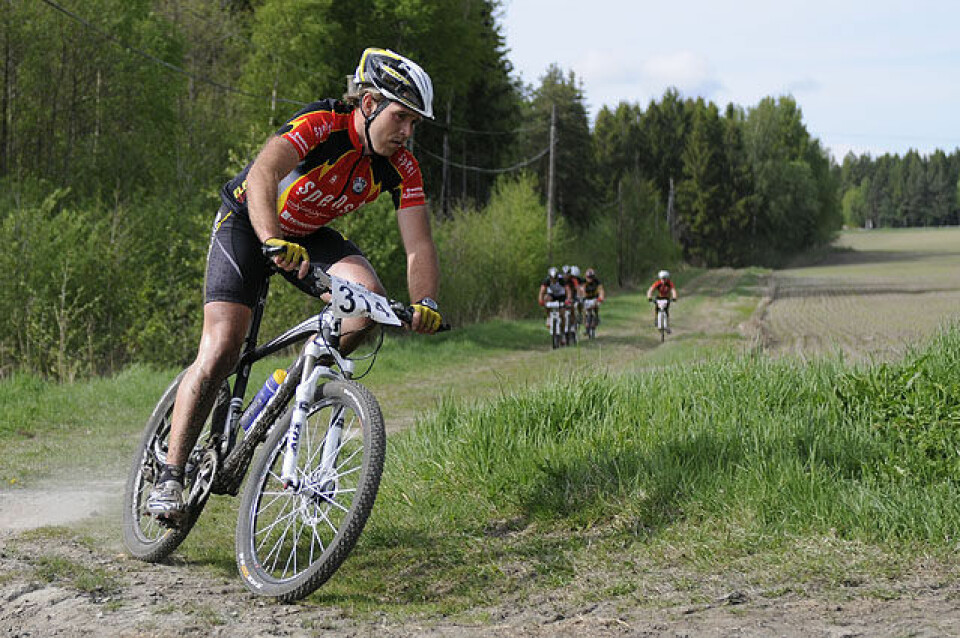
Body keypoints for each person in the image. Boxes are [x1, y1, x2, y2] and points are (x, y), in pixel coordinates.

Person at [147, 48, 444, 519]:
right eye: (401, 117)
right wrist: (270, 239)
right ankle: (170, 473)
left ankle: (289, 390)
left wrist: (425, 300)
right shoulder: (322, 123)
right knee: (223, 347)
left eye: (415, 123)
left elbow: (418, 244)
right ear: (369, 104)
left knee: (367, 304)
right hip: (248, 223)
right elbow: (264, 172)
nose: (407, 132)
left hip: (307, 235)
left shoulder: (402, 166)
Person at [538, 266, 572, 338]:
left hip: (561, 296)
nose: (553, 280)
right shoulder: (546, 280)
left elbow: (568, 290)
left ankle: (563, 332)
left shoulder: (561, 280)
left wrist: (568, 299)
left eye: (555, 278)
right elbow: (542, 291)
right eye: (552, 278)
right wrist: (540, 300)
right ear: (549, 277)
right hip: (552, 295)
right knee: (546, 298)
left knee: (562, 314)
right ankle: (548, 317)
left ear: (557, 276)